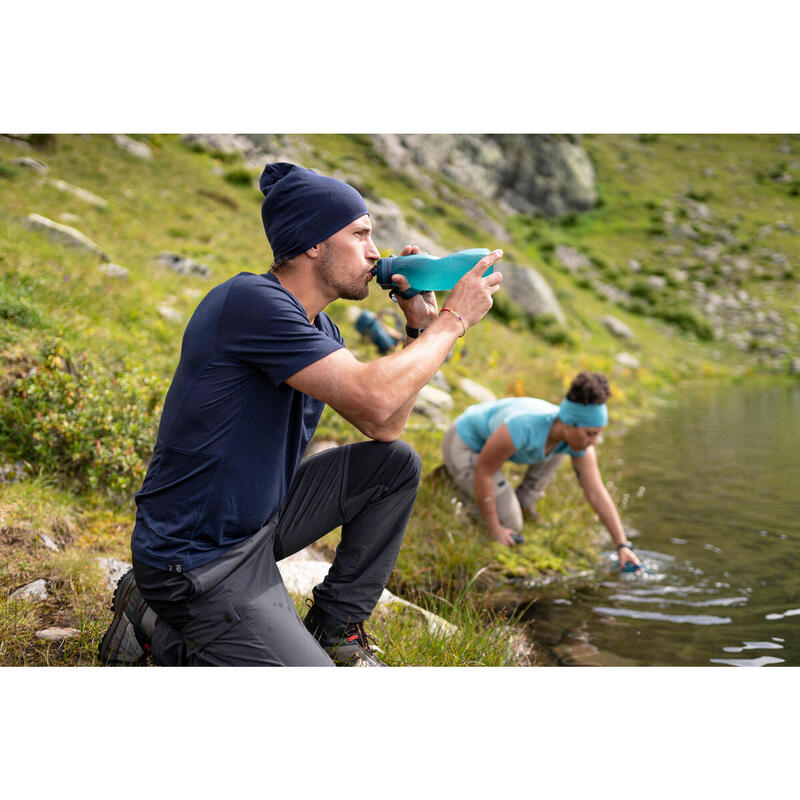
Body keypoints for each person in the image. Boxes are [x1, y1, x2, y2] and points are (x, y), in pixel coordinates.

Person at [98, 162, 503, 667]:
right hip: (197, 558)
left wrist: (421, 327)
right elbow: (374, 397)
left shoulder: (319, 328)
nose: (376, 253)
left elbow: (383, 423)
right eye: (360, 234)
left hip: (255, 526)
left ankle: (334, 629)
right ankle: (157, 624)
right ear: (313, 243)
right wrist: (454, 319)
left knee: (393, 464)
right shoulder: (250, 302)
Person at [441, 371, 642, 570]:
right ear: (570, 424)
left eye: (597, 435)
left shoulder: (573, 440)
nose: (593, 442)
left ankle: (524, 503)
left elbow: (597, 493)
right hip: (464, 443)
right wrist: (494, 528)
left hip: (489, 454)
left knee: (559, 450)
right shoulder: (523, 425)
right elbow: (485, 471)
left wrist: (622, 545)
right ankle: (449, 479)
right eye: (590, 434)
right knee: (511, 524)